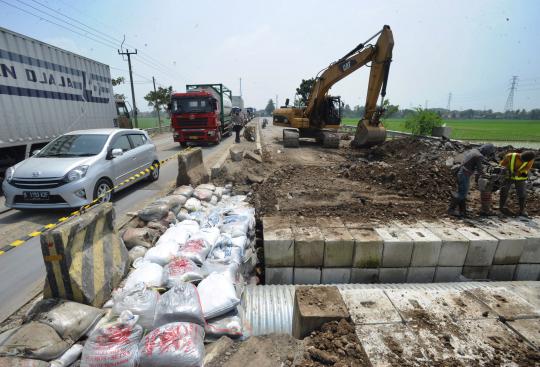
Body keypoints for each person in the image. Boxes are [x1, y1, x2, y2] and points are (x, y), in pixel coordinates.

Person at [448, 144, 495, 217]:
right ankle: (451, 210)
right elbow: (480, 170)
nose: (488, 154)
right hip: (464, 175)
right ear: (487, 151)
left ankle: (462, 212)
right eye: (489, 153)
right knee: (462, 194)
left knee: (462, 193)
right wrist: (487, 176)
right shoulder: (479, 156)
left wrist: (489, 164)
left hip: (461, 173)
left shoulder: (474, 151)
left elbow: (479, 159)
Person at [499, 150, 535, 217]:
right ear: (520, 155)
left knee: (522, 194)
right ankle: (501, 208)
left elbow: (526, 169)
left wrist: (518, 172)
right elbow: (501, 165)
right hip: (508, 177)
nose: (522, 161)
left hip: (520, 178)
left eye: (524, 161)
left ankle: (522, 210)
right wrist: (506, 171)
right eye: (522, 159)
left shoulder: (530, 160)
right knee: (504, 191)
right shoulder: (509, 156)